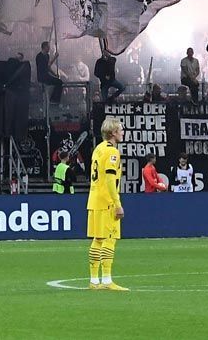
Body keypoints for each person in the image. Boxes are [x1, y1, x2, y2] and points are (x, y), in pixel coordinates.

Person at [87, 118, 128, 291]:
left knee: (98, 240)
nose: (122, 132)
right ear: (113, 133)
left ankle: (94, 281)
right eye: (120, 130)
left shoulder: (98, 149)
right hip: (107, 201)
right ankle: (107, 280)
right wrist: (117, 203)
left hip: (94, 199)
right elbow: (111, 180)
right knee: (109, 240)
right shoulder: (112, 153)